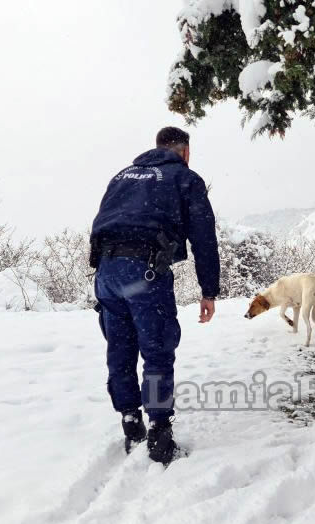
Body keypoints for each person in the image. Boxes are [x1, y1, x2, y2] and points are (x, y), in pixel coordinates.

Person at [90, 126, 220, 464]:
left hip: (106, 272)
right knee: (157, 347)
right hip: (143, 270)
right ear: (185, 152)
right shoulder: (183, 178)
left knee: (120, 347)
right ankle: (160, 435)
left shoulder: (122, 176)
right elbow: (204, 237)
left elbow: (101, 221)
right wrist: (209, 291)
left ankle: (130, 422)